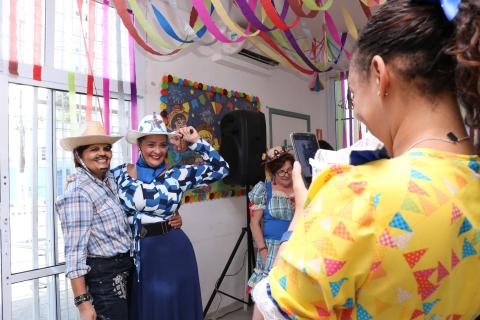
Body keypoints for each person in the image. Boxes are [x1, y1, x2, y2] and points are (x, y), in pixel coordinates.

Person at [253, 1, 480, 319]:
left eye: (354, 97)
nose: (357, 112)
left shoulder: (358, 193)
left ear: (379, 75)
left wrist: (303, 214)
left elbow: (268, 315)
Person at [111, 113, 229, 319]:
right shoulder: (119, 174)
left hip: (172, 251)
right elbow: (96, 191)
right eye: (150, 144)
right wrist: (75, 178)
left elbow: (221, 169)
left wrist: (195, 142)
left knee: (170, 308)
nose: (157, 151)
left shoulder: (178, 174)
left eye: (162, 145)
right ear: (139, 144)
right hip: (134, 253)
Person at [55, 121, 132, 320]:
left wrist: (171, 213)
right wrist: (83, 303)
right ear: (79, 155)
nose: (102, 153)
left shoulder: (109, 180)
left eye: (106, 148)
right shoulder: (78, 191)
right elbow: (74, 251)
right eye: (94, 149)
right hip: (104, 277)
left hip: (125, 268)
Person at [248, 146, 295, 320]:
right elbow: (254, 223)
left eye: (289, 170)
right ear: (273, 171)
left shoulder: (300, 189)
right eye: (281, 171)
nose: (286, 174)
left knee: (291, 299)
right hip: (271, 250)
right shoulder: (264, 190)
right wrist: (262, 250)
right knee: (267, 298)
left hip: (296, 249)